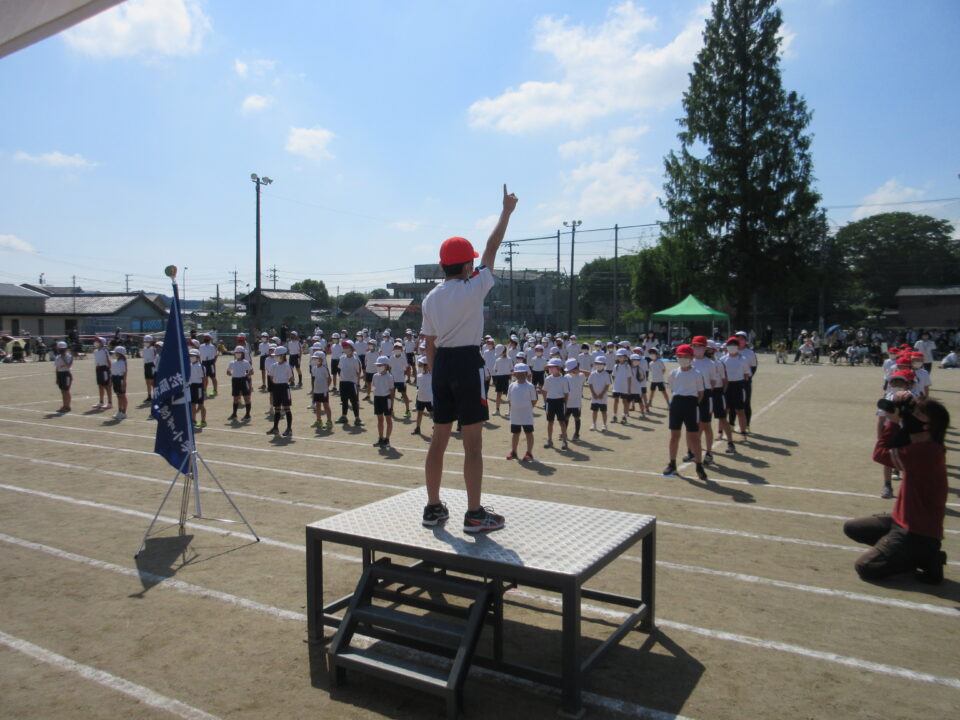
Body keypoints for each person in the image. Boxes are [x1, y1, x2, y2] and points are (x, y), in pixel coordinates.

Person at [420, 184, 518, 533]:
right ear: (467, 264)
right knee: (473, 445)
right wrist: (506, 211)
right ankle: (474, 514)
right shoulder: (474, 287)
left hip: (442, 365)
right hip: (466, 362)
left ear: (441, 265)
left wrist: (436, 376)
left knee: (439, 440)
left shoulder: (430, 297)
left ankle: (433, 507)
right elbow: (493, 246)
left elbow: (428, 343)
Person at [844, 396, 949, 584]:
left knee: (866, 567)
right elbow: (899, 440)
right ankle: (902, 551)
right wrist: (904, 406)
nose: (912, 416)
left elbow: (879, 454)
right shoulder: (921, 443)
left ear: (929, 426)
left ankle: (926, 558)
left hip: (916, 532)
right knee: (854, 528)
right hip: (902, 521)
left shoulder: (926, 451)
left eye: (919, 414)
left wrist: (892, 423)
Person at [663, 344, 708, 481]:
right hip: (677, 404)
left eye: (686, 356)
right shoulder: (673, 373)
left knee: (694, 437)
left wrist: (692, 404)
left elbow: (701, 393)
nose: (682, 359)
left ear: (692, 357)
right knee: (674, 436)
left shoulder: (697, 374)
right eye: (680, 356)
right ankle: (672, 464)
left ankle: (699, 466)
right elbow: (673, 389)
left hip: (691, 405)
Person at [505, 362, 537, 462]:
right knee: (515, 434)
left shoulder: (530, 386)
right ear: (515, 373)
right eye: (517, 373)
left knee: (529, 433)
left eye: (522, 373)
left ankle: (529, 453)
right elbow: (509, 400)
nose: (519, 374)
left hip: (527, 415)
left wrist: (528, 408)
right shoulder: (511, 385)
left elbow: (534, 400)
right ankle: (513, 452)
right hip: (515, 415)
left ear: (526, 373)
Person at [542, 357, 570, 450]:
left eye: (552, 367)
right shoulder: (548, 378)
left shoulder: (564, 379)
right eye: (550, 367)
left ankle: (564, 441)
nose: (551, 368)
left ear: (558, 368)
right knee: (550, 421)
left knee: (562, 422)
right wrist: (546, 402)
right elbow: (544, 391)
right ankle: (549, 440)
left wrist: (565, 404)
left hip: (560, 402)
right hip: (550, 402)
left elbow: (566, 393)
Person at [267, 347, 294, 436]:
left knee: (287, 408)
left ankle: (289, 429)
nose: (276, 357)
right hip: (276, 388)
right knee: (277, 409)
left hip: (284, 388)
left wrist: (282, 380)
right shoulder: (273, 365)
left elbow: (291, 378)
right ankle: (275, 428)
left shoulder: (287, 366)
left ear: (283, 355)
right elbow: (271, 377)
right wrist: (278, 381)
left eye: (277, 355)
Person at [336, 340, 363, 426]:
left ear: (352, 348)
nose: (345, 349)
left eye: (347, 347)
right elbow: (340, 369)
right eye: (344, 347)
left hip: (352, 383)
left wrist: (357, 383)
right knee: (344, 401)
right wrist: (342, 378)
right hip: (343, 382)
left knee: (354, 401)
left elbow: (358, 372)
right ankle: (344, 416)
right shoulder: (342, 358)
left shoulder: (355, 360)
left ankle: (357, 418)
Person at [371, 356, 396, 447]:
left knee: (388, 419)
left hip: (386, 399)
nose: (378, 367)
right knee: (380, 419)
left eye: (380, 365)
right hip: (377, 398)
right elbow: (374, 386)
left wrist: (391, 404)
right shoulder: (375, 376)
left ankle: (387, 439)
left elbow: (392, 391)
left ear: (386, 366)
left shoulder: (389, 377)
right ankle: (380, 438)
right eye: (377, 365)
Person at [226, 345, 254, 422]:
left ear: (242, 353)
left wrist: (246, 375)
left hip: (243, 380)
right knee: (235, 398)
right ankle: (234, 414)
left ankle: (247, 414)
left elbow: (251, 371)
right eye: (236, 353)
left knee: (246, 398)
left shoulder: (245, 362)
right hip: (235, 380)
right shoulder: (232, 362)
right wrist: (230, 373)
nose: (237, 354)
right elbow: (228, 371)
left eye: (239, 353)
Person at [388, 341, 412, 418]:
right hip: (393, 380)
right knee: (391, 395)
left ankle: (408, 411)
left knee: (404, 395)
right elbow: (389, 367)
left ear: (401, 349)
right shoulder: (391, 357)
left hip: (401, 380)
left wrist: (406, 377)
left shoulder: (403, 358)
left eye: (398, 347)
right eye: (395, 347)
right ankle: (391, 409)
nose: (397, 349)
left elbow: (407, 368)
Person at [588, 356, 610, 431]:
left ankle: (604, 425)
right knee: (594, 411)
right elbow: (590, 384)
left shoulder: (606, 374)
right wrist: (593, 393)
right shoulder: (592, 373)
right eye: (597, 363)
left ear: (604, 364)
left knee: (603, 411)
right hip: (594, 397)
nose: (599, 365)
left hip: (603, 397)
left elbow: (607, 385)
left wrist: (602, 394)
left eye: (601, 364)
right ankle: (594, 424)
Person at [412, 356, 433, 435]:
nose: (421, 366)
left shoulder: (432, 376)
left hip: (429, 399)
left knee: (432, 414)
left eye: (423, 365)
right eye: (421, 365)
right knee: (419, 413)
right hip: (420, 398)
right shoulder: (419, 376)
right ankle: (417, 428)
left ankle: (437, 428)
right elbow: (418, 387)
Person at [91, 336, 113, 410]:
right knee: (100, 385)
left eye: (98, 341)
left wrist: (109, 371)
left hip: (104, 369)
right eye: (96, 341)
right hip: (98, 369)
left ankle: (110, 403)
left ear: (102, 343)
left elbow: (109, 361)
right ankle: (101, 402)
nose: (96, 342)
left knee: (107, 386)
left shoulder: (105, 351)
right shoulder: (95, 351)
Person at [187, 348, 206, 429]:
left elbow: (204, 379)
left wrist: (204, 389)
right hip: (191, 386)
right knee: (192, 404)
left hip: (198, 387)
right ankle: (193, 420)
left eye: (193, 356)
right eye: (190, 355)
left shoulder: (200, 366)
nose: (191, 357)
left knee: (201, 404)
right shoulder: (189, 365)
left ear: (198, 357)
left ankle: (203, 421)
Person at [53, 340, 73, 413]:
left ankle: (68, 406)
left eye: (62, 349)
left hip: (66, 374)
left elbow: (68, 366)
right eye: (59, 349)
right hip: (60, 374)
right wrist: (57, 378)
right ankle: (64, 405)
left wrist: (63, 358)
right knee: (62, 391)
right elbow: (57, 368)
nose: (61, 350)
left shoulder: (69, 356)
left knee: (66, 390)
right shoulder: (57, 357)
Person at [199, 333, 219, 398]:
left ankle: (215, 390)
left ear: (210, 338)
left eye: (206, 337)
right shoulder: (201, 346)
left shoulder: (212, 346)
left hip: (210, 363)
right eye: (204, 337)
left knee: (213, 377)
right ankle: (204, 391)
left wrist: (213, 363)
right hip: (203, 363)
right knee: (204, 378)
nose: (205, 338)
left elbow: (216, 355)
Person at [142, 334, 158, 403]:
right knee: (147, 381)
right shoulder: (144, 349)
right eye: (145, 341)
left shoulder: (153, 349)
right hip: (146, 365)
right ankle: (149, 396)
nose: (145, 342)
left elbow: (155, 357)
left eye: (147, 341)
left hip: (151, 365)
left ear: (150, 342)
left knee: (152, 382)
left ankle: (155, 395)